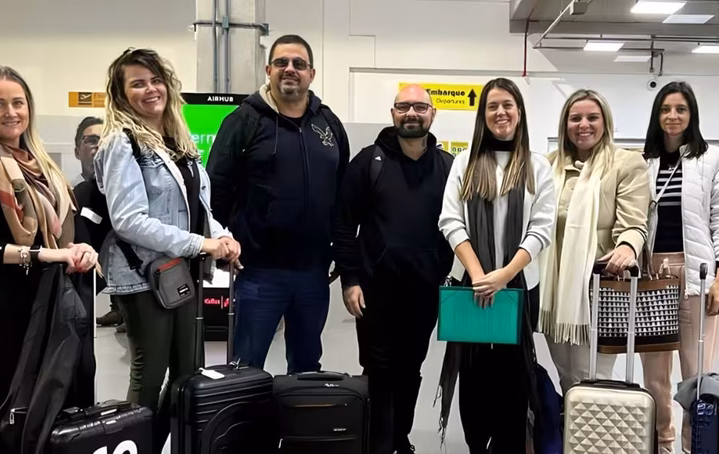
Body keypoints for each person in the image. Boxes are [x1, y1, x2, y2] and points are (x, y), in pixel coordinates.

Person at [95, 48, 241, 453]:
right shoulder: (121, 143)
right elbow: (128, 220)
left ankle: (160, 445)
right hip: (143, 276)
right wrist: (201, 244)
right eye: (137, 83)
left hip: (181, 273)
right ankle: (134, 447)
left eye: (156, 80)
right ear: (121, 94)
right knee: (149, 376)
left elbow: (199, 207)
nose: (150, 89)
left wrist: (223, 237)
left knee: (187, 375)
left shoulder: (178, 140)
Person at [0, 65, 98, 454]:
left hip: (50, 296)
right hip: (3, 301)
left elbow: (70, 218)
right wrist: (42, 253)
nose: (11, 112)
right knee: (6, 406)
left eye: (18, 102)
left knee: (55, 400)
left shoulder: (41, 162)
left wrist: (83, 247)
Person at [207, 35, 350, 374]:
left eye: (299, 64)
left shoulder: (328, 124)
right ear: (268, 70)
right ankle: (247, 413)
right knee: (246, 367)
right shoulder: (242, 121)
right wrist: (222, 244)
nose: (290, 69)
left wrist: (342, 256)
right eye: (282, 62)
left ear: (311, 74)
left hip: (313, 273)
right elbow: (215, 190)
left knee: (306, 367)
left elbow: (342, 195)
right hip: (257, 271)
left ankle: (297, 414)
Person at [333, 85, 455, 454]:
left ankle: (400, 439)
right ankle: (378, 444)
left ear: (432, 114)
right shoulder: (368, 162)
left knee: (411, 368)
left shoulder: (448, 167)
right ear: (393, 113)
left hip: (424, 292)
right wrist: (350, 279)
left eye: (420, 106)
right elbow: (343, 223)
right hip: (375, 291)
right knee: (378, 369)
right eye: (404, 106)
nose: (411, 113)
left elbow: (458, 228)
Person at [437, 78, 556, 452]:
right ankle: (477, 446)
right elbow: (450, 221)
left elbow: (541, 229)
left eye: (507, 105)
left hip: (519, 288)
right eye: (492, 106)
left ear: (519, 112)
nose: (500, 112)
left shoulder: (538, 166)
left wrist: (504, 275)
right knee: (473, 378)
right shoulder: (465, 163)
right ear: (482, 114)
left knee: (513, 379)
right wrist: (478, 275)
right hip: (470, 287)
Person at [639, 81, 719, 454]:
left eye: (681, 109)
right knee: (654, 375)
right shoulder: (642, 161)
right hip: (651, 274)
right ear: (656, 115)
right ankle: (661, 445)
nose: (673, 116)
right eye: (665, 109)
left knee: (697, 374)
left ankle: (693, 445)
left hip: (697, 273)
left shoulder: (713, 159)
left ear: (692, 114)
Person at [538, 89, 650, 394]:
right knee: (565, 374)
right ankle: (570, 423)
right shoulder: (548, 165)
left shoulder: (626, 164)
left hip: (598, 287)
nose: (583, 125)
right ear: (565, 124)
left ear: (605, 122)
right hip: (555, 288)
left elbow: (634, 222)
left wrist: (627, 246)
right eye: (575, 118)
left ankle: (593, 425)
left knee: (594, 376)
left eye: (592, 117)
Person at [70, 116, 121, 329]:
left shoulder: (125, 197)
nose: (99, 145)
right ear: (77, 151)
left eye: (105, 140)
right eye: (91, 140)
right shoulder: (72, 194)